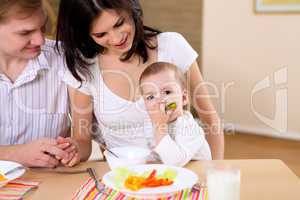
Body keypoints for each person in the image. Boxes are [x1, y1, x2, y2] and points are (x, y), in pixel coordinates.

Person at [56, 0, 224, 166]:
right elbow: (82, 140)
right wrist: (74, 149)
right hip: (128, 178)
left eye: (119, 24)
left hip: (185, 172)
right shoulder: (84, 68)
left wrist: (215, 172)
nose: (116, 39)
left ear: (130, 8)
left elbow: (210, 119)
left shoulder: (172, 47)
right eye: (101, 34)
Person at [0, 0, 71, 168]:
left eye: (42, 27)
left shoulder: (65, 59)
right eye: (25, 33)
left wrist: (72, 147)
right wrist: (15, 154)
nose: (40, 40)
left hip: (50, 184)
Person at [139, 62, 211, 166]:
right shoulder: (151, 125)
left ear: (184, 98)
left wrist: (160, 128)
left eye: (167, 92)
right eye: (151, 97)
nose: (160, 101)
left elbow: (175, 162)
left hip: (197, 177)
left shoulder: (190, 128)